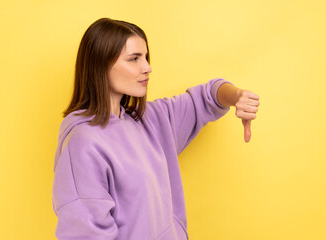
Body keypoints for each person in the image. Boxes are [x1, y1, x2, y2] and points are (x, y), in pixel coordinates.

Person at [52, 17, 260, 240]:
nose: (147, 68)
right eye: (134, 59)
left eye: (146, 57)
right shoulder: (83, 144)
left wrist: (237, 96)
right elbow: (87, 234)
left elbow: (209, 95)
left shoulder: (151, 120)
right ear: (101, 65)